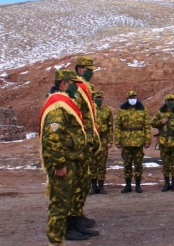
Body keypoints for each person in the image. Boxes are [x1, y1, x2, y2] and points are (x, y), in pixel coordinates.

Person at [39, 69, 89, 243]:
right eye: (75, 84)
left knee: (66, 202)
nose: (78, 87)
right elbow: (52, 139)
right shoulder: (57, 108)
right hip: (64, 163)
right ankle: (55, 240)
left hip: (71, 161)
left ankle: (62, 236)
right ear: (64, 84)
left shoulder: (66, 104)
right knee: (59, 205)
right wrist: (59, 165)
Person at [70, 56, 100, 237]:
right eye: (89, 69)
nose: (92, 72)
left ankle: (77, 215)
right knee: (76, 183)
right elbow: (72, 116)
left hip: (86, 142)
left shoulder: (85, 88)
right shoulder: (75, 88)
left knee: (83, 181)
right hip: (79, 143)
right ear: (80, 70)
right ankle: (71, 222)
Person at [115, 90, 152, 193]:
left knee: (138, 164)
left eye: (134, 97)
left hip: (138, 141)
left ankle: (138, 185)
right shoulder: (122, 110)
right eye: (131, 97)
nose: (133, 99)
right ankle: (127, 185)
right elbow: (117, 126)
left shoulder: (142, 109)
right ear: (127, 99)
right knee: (127, 164)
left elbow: (147, 126)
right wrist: (117, 140)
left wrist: (147, 140)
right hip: (126, 141)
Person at [151, 93, 174, 192]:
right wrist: (160, 122)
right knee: (165, 164)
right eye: (168, 101)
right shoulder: (160, 112)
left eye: (172, 101)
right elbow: (153, 123)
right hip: (164, 142)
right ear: (165, 102)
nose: (170, 102)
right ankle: (167, 183)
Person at [89, 91, 114, 194]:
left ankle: (101, 186)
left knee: (102, 164)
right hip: (92, 140)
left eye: (100, 98)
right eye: (96, 98)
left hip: (103, 140)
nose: (98, 100)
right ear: (93, 98)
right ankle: (93, 187)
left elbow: (110, 127)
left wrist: (110, 141)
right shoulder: (89, 110)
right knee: (92, 164)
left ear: (102, 99)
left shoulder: (107, 111)